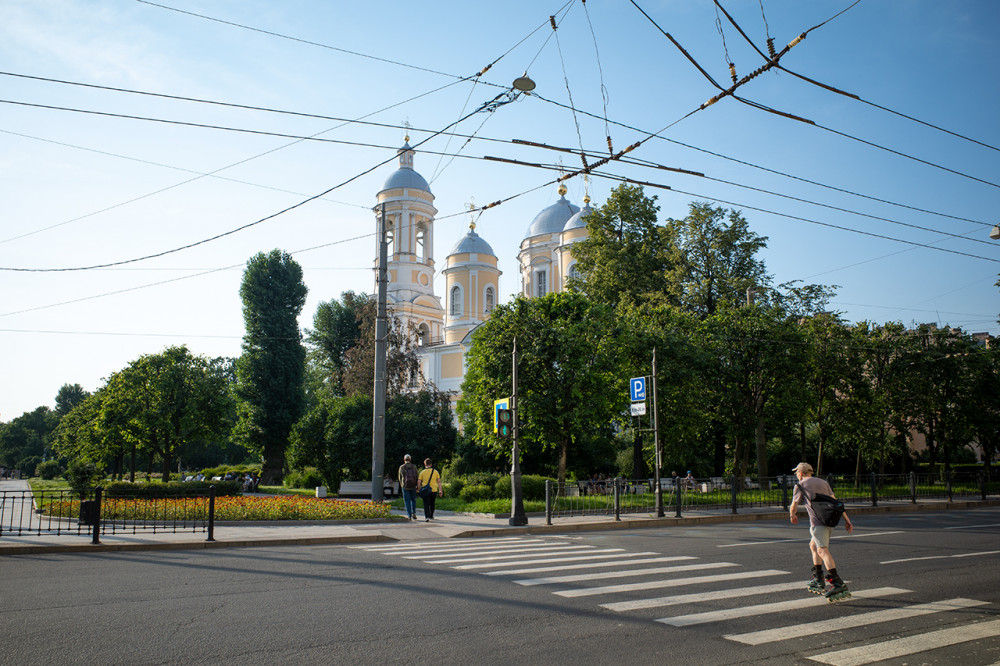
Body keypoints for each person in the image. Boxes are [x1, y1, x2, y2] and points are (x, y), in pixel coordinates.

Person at [789, 462, 854, 601]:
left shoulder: (800, 485)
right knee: (813, 546)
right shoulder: (823, 482)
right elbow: (836, 502)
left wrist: (792, 516)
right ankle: (818, 578)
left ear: (801, 473)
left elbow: (794, 505)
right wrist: (847, 520)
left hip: (818, 523)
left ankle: (837, 583)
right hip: (830, 519)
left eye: (796, 473)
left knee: (822, 550)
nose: (796, 475)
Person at [398, 454, 419, 521]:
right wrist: (417, 486)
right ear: (410, 459)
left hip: (405, 486)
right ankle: (414, 513)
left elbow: (400, 477)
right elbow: (417, 476)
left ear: (404, 460)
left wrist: (402, 484)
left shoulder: (402, 467)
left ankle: (409, 515)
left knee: (407, 501)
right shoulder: (414, 466)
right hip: (413, 486)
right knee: (413, 499)